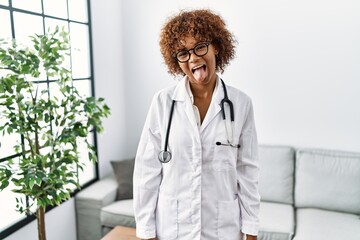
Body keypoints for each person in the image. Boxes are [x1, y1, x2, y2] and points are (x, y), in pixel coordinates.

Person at [133, 9, 260, 240]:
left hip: (222, 229)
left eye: (200, 47)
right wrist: (146, 231)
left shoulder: (241, 104)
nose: (193, 58)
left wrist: (251, 230)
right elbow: (146, 172)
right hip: (173, 228)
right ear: (176, 60)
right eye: (183, 52)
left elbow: (247, 172)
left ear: (217, 47)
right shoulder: (163, 103)